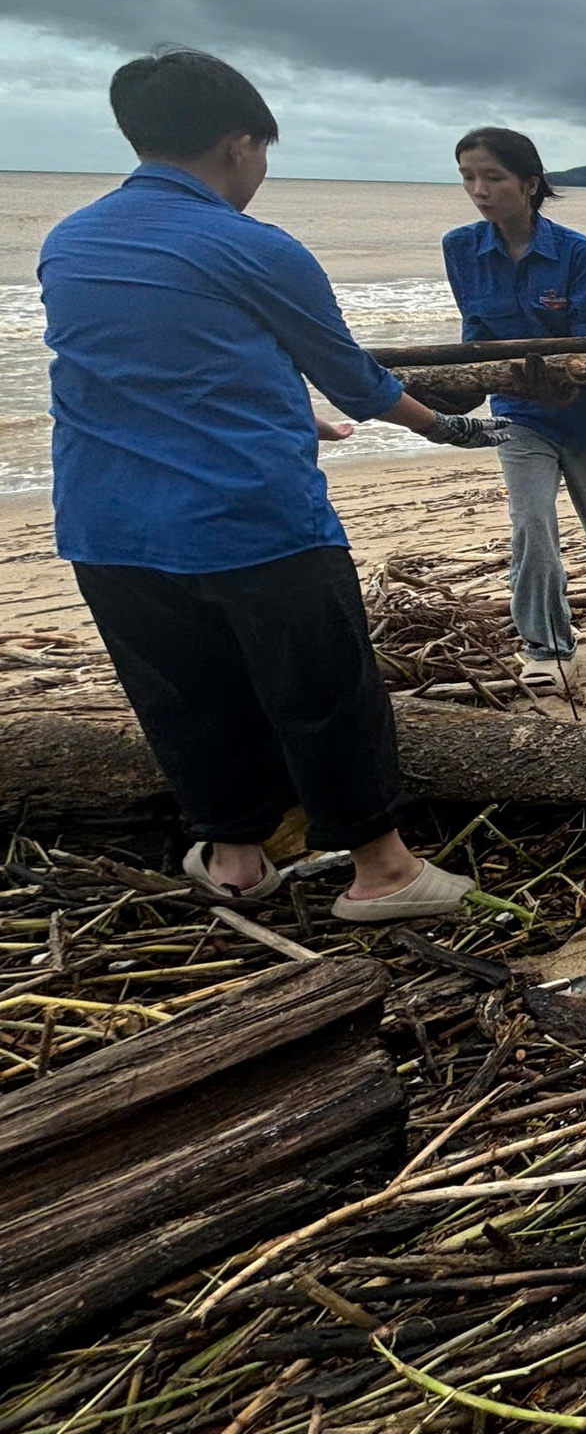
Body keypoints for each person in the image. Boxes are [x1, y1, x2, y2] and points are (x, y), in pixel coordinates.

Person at [39, 48, 508, 919]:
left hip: (107, 527)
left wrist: (291, 417)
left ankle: (236, 861)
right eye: (264, 153)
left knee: (186, 698)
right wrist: (447, 427)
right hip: (250, 520)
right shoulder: (251, 245)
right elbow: (355, 378)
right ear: (239, 143)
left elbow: (162, 367)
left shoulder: (69, 242)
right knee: (325, 692)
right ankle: (384, 873)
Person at [445, 128, 586, 689]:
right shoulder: (460, 248)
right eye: (469, 177)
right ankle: (544, 642)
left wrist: (564, 377)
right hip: (518, 413)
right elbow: (475, 337)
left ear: (530, 182)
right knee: (531, 523)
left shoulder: (575, 252)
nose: (479, 189)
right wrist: (451, 397)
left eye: (493, 176)